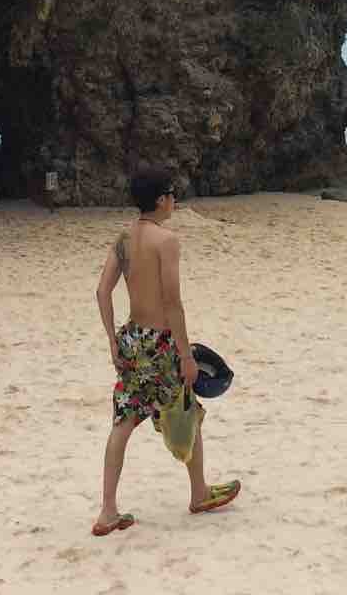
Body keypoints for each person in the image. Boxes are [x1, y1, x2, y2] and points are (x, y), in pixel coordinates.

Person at [91, 167, 241, 536]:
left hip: (132, 340)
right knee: (188, 410)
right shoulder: (166, 240)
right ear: (160, 199)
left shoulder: (124, 238)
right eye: (172, 194)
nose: (175, 200)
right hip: (160, 343)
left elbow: (102, 292)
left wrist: (113, 340)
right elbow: (173, 302)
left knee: (122, 423)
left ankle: (108, 511)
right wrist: (186, 355)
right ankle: (200, 493)